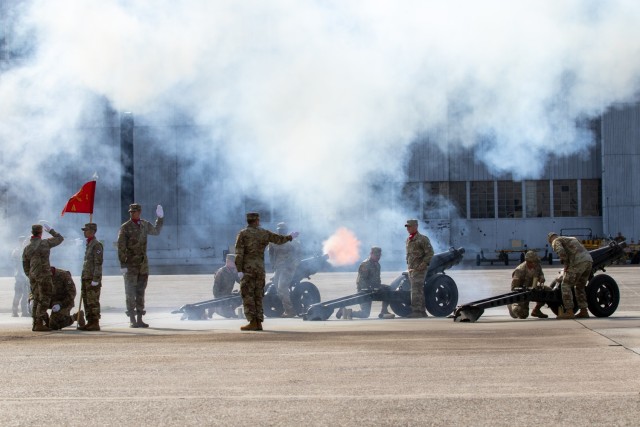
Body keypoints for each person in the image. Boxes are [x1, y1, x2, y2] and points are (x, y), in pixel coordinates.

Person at [234, 212, 298, 331]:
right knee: (258, 295)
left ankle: (253, 321)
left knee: (248, 295)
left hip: (247, 270)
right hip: (259, 269)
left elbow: (239, 253)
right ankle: (258, 322)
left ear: (248, 221)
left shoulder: (243, 234)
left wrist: (239, 270)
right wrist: (290, 237)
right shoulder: (263, 233)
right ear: (257, 221)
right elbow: (279, 239)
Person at [118, 203, 164, 328]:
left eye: (135, 211)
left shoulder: (144, 225)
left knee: (140, 291)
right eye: (131, 212)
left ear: (139, 212)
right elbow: (121, 246)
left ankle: (139, 318)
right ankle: (132, 318)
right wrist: (123, 264)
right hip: (130, 265)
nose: (132, 213)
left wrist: (160, 219)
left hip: (143, 265)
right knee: (130, 292)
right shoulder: (125, 227)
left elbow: (156, 231)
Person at [22, 223, 64, 332]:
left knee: (36, 299)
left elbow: (25, 264)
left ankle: (36, 323)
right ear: (41, 233)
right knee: (45, 298)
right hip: (44, 275)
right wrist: (51, 230)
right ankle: (39, 322)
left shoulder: (27, 248)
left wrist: (30, 274)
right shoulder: (45, 243)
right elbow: (60, 238)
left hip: (33, 276)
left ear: (32, 233)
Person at [336, 246, 394, 319]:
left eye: (379, 255)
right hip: (365, 291)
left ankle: (384, 311)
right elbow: (361, 281)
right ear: (371, 254)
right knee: (365, 314)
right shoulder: (365, 264)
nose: (378, 257)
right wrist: (369, 290)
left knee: (388, 289)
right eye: (376, 255)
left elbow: (378, 280)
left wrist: (378, 288)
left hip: (375, 289)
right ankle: (344, 311)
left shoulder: (377, 265)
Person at [548, 232, 593, 319]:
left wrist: (565, 264)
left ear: (550, 240)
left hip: (577, 262)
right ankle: (584, 311)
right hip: (588, 261)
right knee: (579, 287)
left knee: (565, 285)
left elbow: (561, 251)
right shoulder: (572, 238)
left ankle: (569, 311)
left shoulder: (555, 241)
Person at [268, 222, 301, 317]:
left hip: (288, 267)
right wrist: (273, 264)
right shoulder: (274, 241)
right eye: (279, 230)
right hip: (279, 267)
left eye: (283, 230)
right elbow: (271, 253)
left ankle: (289, 311)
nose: (281, 232)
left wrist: (294, 264)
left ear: (286, 231)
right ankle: (285, 305)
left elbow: (298, 254)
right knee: (276, 287)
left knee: (282, 287)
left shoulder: (292, 241)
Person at [404, 219, 434, 318]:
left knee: (416, 289)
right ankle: (422, 311)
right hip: (412, 269)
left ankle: (416, 311)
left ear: (416, 226)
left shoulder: (422, 239)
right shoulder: (409, 239)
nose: (408, 228)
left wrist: (423, 264)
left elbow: (430, 253)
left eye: (410, 226)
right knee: (418, 290)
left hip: (419, 269)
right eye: (407, 227)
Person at [507, 251, 549, 319]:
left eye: (536, 261)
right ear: (528, 261)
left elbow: (541, 274)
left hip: (533, 288)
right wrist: (526, 289)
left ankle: (536, 310)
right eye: (533, 262)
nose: (535, 263)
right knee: (523, 315)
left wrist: (542, 278)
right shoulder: (520, 270)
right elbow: (514, 288)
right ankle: (512, 305)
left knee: (547, 291)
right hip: (522, 292)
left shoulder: (537, 266)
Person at [79, 223, 103, 331]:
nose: (84, 232)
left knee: (93, 301)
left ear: (92, 231)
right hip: (86, 277)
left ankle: (95, 322)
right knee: (87, 301)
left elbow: (98, 263)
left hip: (92, 278)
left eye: (86, 230)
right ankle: (89, 322)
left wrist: (96, 279)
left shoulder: (96, 245)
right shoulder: (89, 244)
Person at [210, 253, 242, 318]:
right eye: (234, 262)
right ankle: (213, 308)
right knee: (227, 315)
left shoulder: (233, 271)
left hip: (228, 295)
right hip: (221, 297)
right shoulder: (221, 272)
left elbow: (240, 282)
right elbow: (215, 289)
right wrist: (219, 300)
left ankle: (231, 309)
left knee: (243, 296)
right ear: (228, 262)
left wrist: (241, 276)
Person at [11, 236, 30, 317]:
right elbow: (18, 263)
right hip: (20, 276)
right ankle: (15, 311)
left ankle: (24, 312)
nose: (24, 242)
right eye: (23, 241)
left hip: (24, 276)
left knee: (25, 294)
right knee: (18, 294)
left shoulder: (22, 250)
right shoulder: (17, 251)